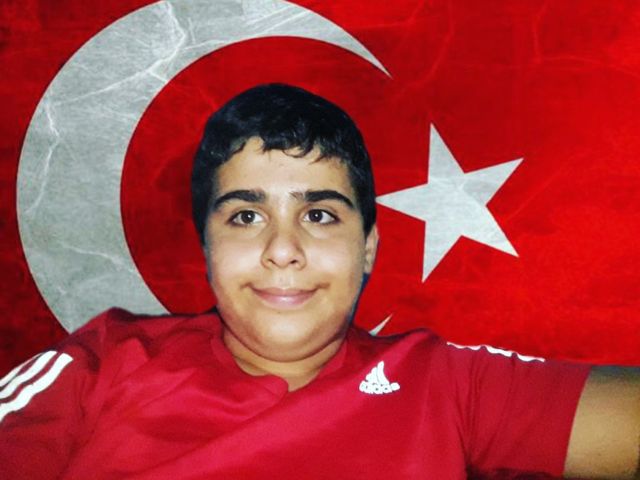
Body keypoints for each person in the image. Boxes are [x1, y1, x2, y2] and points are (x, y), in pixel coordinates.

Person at [0, 84, 639, 479]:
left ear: (368, 247)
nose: (283, 250)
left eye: (319, 215)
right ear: (206, 246)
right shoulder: (103, 360)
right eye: (246, 216)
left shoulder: (443, 384)